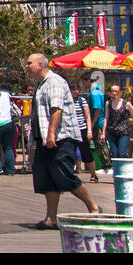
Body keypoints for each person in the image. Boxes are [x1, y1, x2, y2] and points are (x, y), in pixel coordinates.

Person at [25, 53, 99, 230]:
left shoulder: (54, 82)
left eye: (29, 63)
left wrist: (51, 134)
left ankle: (93, 207)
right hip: (43, 139)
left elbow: (56, 109)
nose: (27, 66)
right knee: (47, 179)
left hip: (61, 138)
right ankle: (50, 218)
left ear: (40, 65)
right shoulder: (39, 84)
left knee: (64, 175)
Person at [102, 84, 133, 159]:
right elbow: (106, 118)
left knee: (122, 153)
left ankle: (126, 166)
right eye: (112, 91)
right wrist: (103, 133)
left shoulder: (126, 104)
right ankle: (117, 170)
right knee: (115, 154)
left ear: (120, 92)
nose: (114, 93)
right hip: (112, 132)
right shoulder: (108, 103)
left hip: (123, 132)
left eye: (116, 91)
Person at [70, 83, 99, 184]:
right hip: (70, 130)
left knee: (86, 153)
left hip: (82, 129)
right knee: (69, 153)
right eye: (74, 89)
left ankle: (93, 175)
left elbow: (87, 116)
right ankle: (69, 175)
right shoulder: (66, 100)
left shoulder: (82, 100)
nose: (76, 92)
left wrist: (89, 130)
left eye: (77, 89)